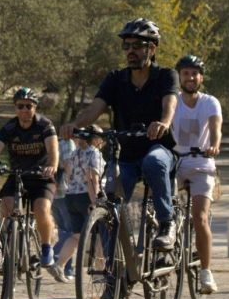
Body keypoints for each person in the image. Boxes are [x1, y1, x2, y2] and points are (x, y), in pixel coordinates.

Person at [61, 18, 179, 250]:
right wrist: (74, 125)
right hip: (127, 156)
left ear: (151, 49)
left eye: (137, 46)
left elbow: (170, 105)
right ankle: (114, 277)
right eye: (127, 46)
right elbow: (95, 108)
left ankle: (167, 223)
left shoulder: (166, 76)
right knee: (108, 202)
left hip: (160, 148)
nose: (130, 51)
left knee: (154, 162)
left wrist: (163, 122)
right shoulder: (116, 79)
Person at [0, 87, 62, 277]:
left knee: (41, 208)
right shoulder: (9, 128)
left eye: (29, 106)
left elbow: (53, 149)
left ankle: (46, 248)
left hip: (41, 176)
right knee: (6, 208)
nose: (24, 110)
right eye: (20, 106)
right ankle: (8, 247)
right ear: (15, 108)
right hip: (17, 175)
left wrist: (53, 165)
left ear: (35, 107)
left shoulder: (44, 125)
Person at [171, 54, 222, 294]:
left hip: (202, 162)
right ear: (179, 76)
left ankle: (205, 272)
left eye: (194, 74)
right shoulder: (172, 101)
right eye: (186, 74)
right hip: (176, 163)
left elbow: (215, 128)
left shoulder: (210, 102)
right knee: (164, 206)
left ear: (201, 77)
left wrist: (213, 144)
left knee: (200, 217)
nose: (190, 78)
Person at [52, 125, 105, 281]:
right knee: (98, 235)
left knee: (76, 236)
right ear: (95, 139)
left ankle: (59, 265)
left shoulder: (75, 153)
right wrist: (95, 201)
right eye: (101, 137)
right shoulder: (94, 153)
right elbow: (92, 178)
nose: (103, 141)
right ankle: (100, 272)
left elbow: (67, 174)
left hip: (71, 196)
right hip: (86, 196)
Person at [52, 133, 76, 280]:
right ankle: (54, 258)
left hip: (52, 193)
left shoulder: (52, 142)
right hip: (64, 192)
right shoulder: (68, 143)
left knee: (63, 231)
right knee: (72, 232)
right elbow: (67, 165)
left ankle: (67, 268)